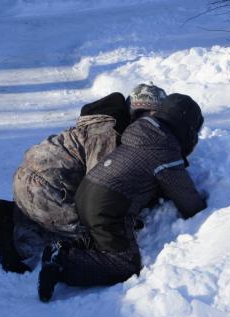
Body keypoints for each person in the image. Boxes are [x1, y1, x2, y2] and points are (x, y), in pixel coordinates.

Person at [38, 93, 208, 302]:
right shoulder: (164, 150)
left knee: (102, 238)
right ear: (186, 127)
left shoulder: (142, 132)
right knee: (125, 264)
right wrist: (209, 207)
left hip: (87, 192)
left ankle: (66, 249)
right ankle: (63, 264)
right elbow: (187, 200)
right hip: (108, 204)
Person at [0, 84, 168, 273]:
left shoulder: (102, 124)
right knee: (102, 233)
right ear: (132, 112)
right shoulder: (108, 134)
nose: (148, 125)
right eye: (145, 116)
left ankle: (11, 215)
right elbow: (101, 188)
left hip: (30, 184)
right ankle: (17, 238)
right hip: (44, 190)